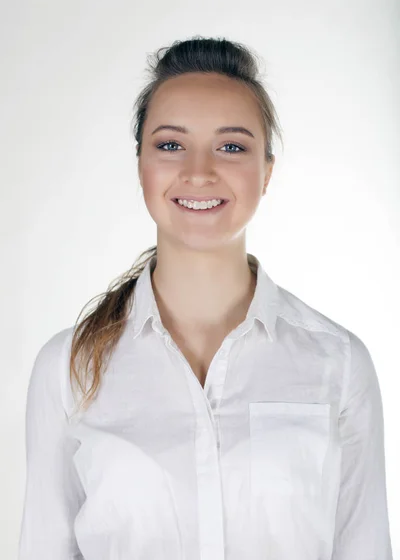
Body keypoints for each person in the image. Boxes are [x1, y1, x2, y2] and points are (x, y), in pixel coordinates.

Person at [18, 36, 393, 560]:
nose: (199, 170)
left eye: (232, 146)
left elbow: (365, 547)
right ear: (141, 167)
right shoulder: (68, 367)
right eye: (170, 145)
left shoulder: (340, 363)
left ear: (266, 172)